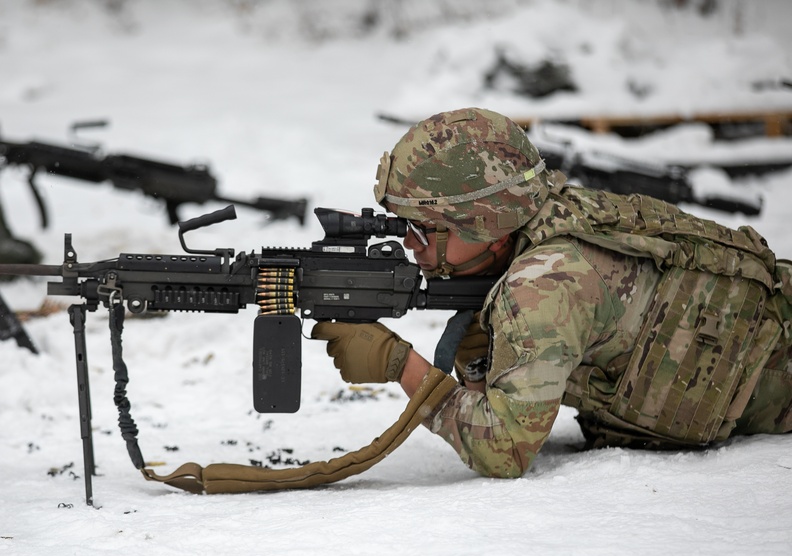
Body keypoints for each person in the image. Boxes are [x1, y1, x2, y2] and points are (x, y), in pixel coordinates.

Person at [312, 108, 792, 478]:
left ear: (488, 228)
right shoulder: (544, 214)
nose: (410, 245)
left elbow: (506, 450)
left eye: (424, 230)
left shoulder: (544, 285)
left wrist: (401, 365)